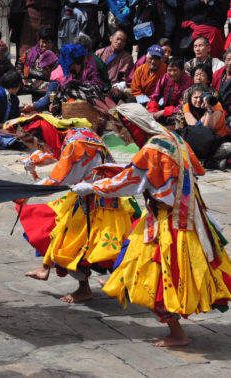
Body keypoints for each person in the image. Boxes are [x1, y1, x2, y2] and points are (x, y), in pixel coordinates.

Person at [73, 103, 231, 347]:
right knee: (139, 258)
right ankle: (122, 280)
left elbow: (130, 181)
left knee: (156, 276)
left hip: (168, 222)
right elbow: (189, 171)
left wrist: (93, 186)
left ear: (134, 126)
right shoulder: (172, 137)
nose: (121, 135)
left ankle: (177, 333)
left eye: (122, 129)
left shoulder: (152, 149)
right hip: (187, 213)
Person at [15, 114, 136, 302]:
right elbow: (54, 151)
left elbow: (60, 179)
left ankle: (117, 282)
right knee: (59, 231)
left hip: (98, 201)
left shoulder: (74, 145)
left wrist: (27, 192)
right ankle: (47, 268)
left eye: (38, 141)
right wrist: (33, 160)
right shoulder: (75, 134)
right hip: (90, 194)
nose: (39, 145)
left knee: (77, 244)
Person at [49, 44, 105, 117]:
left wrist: (80, 84)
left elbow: (99, 88)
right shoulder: (66, 80)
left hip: (88, 113)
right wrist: (54, 106)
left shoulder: (90, 73)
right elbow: (61, 97)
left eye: (71, 65)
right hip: (70, 114)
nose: (70, 68)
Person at [148, 57, 193, 126]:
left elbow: (182, 105)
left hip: (179, 111)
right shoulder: (166, 76)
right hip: (166, 107)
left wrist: (164, 112)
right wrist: (152, 110)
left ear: (182, 70)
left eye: (175, 70)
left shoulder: (188, 83)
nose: (172, 73)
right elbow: (155, 94)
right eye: (169, 70)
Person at [95, 30, 134, 100]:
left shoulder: (127, 58)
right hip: (97, 84)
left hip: (114, 86)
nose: (119, 42)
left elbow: (126, 79)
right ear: (111, 39)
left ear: (125, 44)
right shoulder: (99, 53)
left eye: (123, 41)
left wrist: (117, 87)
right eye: (117, 39)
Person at [15, 27, 57, 95]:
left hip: (47, 85)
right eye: (42, 41)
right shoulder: (30, 52)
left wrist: (48, 73)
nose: (44, 45)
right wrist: (22, 78)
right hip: (29, 84)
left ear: (53, 43)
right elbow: (19, 65)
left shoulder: (57, 56)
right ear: (39, 41)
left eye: (48, 42)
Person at [175, 65, 219, 129]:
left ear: (208, 79)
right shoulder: (188, 92)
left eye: (202, 75)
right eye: (196, 75)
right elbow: (182, 110)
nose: (199, 78)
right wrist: (179, 128)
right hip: (190, 121)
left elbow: (214, 112)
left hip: (209, 122)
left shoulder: (213, 93)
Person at [211, 48, 231, 116]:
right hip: (216, 108)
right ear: (224, 60)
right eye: (228, 60)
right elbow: (211, 87)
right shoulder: (220, 73)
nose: (230, 63)